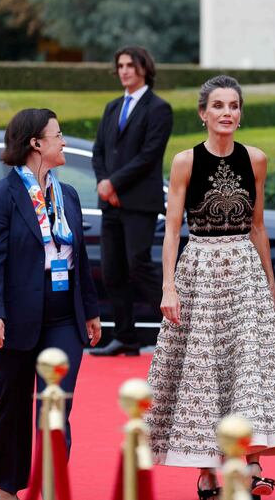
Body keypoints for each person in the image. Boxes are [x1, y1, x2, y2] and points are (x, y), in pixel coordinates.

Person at [145, 75, 275, 500]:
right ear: (203, 113)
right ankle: (206, 472)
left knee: (248, 367)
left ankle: (253, 464)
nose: (227, 113)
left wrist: (270, 284)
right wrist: (168, 287)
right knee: (203, 369)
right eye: (217, 106)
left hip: (244, 271)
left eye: (233, 106)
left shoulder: (255, 158)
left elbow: (256, 226)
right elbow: (172, 230)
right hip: (198, 269)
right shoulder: (185, 161)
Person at [0, 108, 101, 500]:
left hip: (64, 315)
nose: (63, 141)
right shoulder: (0, 197)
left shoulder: (69, 195)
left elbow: (79, 260)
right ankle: (9, 489)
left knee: (56, 404)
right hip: (15, 316)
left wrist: (91, 310)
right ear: (36, 143)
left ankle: (50, 486)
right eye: (58, 135)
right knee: (12, 405)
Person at [91, 46, 173, 356]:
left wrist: (114, 182)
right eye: (121, 65)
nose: (124, 70)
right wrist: (103, 182)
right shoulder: (112, 107)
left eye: (130, 65)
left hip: (139, 203)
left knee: (139, 266)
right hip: (110, 202)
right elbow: (99, 151)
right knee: (112, 271)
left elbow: (148, 156)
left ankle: (178, 331)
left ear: (144, 69)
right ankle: (126, 337)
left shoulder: (159, 108)